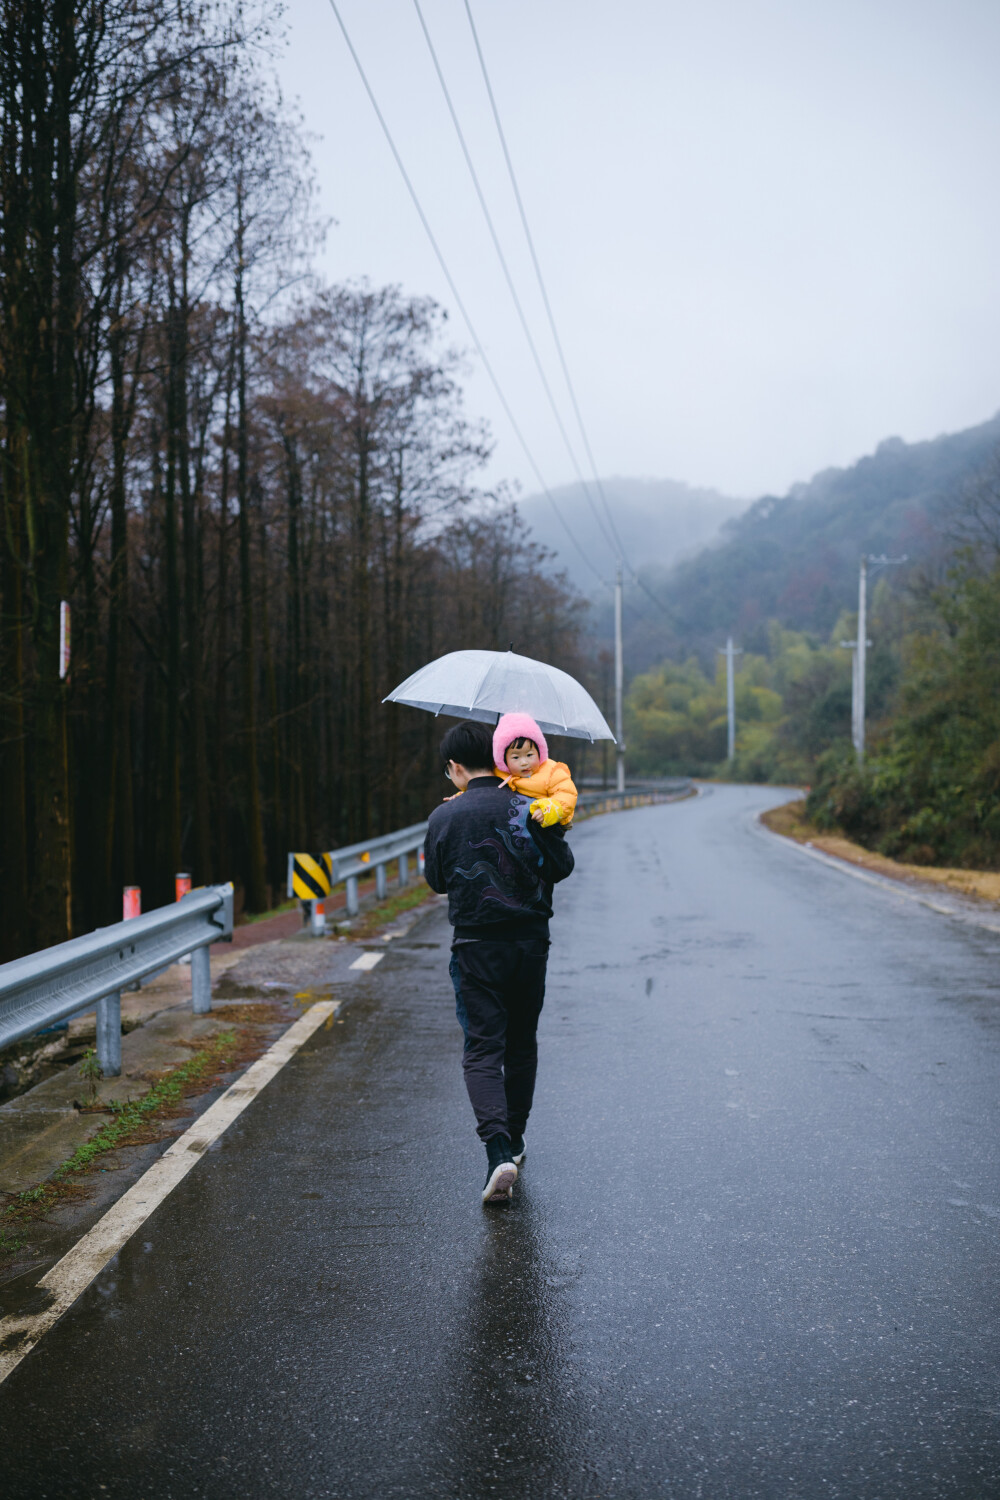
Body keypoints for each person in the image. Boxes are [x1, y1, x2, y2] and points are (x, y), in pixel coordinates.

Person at [424, 719, 575, 1205]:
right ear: (496, 758)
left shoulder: (444, 816)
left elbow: (438, 881)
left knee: (483, 1048)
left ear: (454, 767)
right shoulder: (532, 806)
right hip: (530, 943)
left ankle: (497, 1153)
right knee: (521, 1043)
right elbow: (562, 866)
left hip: (475, 946)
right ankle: (516, 1137)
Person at [492, 712, 578, 827]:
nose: (524, 762)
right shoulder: (498, 773)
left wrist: (548, 809)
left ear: (539, 753)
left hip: (543, 825)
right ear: (504, 760)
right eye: (516, 757)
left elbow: (566, 794)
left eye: (529, 755)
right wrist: (466, 796)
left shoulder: (552, 771)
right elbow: (483, 788)